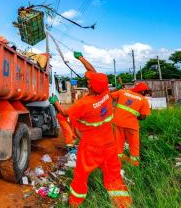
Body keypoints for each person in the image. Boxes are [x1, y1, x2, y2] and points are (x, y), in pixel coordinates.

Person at [49, 51, 131, 208]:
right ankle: (123, 204)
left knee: (81, 175)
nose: (87, 82)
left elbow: (65, 113)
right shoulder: (106, 93)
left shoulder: (84, 104)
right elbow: (93, 71)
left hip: (90, 148)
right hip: (109, 144)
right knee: (113, 176)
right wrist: (80, 58)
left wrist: (55, 102)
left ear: (93, 86)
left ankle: (75, 202)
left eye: (88, 82)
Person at [111, 82, 151, 166]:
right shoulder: (144, 100)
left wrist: (117, 88)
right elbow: (143, 118)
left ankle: (118, 160)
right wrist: (136, 115)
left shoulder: (122, 92)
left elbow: (109, 95)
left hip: (118, 122)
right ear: (143, 91)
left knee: (118, 142)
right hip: (131, 125)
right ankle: (134, 163)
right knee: (134, 144)